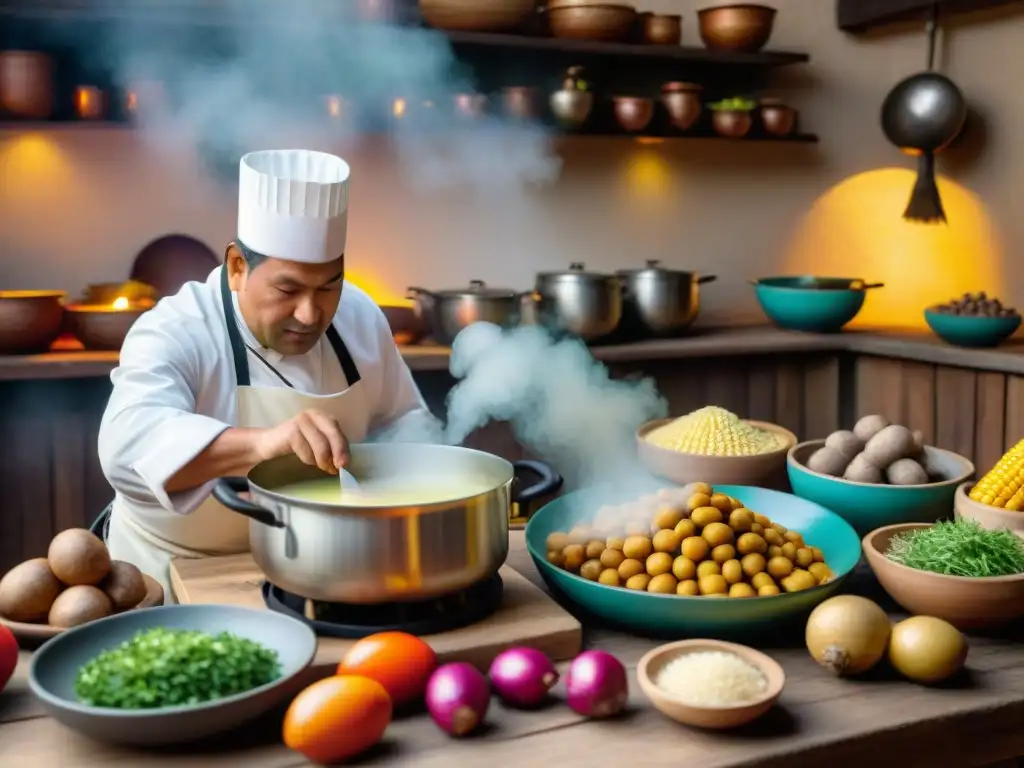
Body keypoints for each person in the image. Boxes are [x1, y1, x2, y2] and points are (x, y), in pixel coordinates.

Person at [97, 149, 435, 599]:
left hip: (315, 572)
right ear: (237, 267)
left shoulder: (358, 315)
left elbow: (403, 421)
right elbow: (125, 449)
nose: (310, 313)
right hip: (167, 575)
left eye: (328, 286)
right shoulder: (176, 329)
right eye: (288, 289)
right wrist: (263, 444)